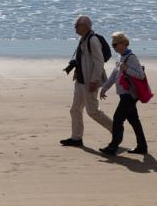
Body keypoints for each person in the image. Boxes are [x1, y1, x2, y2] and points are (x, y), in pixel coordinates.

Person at [59, 14, 113, 147]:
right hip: (80, 81)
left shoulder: (92, 40)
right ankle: (76, 138)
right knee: (75, 109)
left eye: (77, 25)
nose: (74, 27)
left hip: (90, 82)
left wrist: (94, 80)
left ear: (85, 26)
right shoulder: (84, 39)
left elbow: (99, 61)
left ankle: (116, 130)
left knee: (93, 111)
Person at [98, 32, 148, 156]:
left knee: (117, 119)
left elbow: (141, 75)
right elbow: (114, 75)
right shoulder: (120, 58)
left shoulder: (131, 58)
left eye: (115, 44)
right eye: (112, 44)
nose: (113, 47)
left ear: (123, 43)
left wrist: (127, 69)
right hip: (125, 95)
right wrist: (104, 88)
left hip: (129, 95)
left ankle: (113, 146)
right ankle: (142, 146)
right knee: (134, 120)